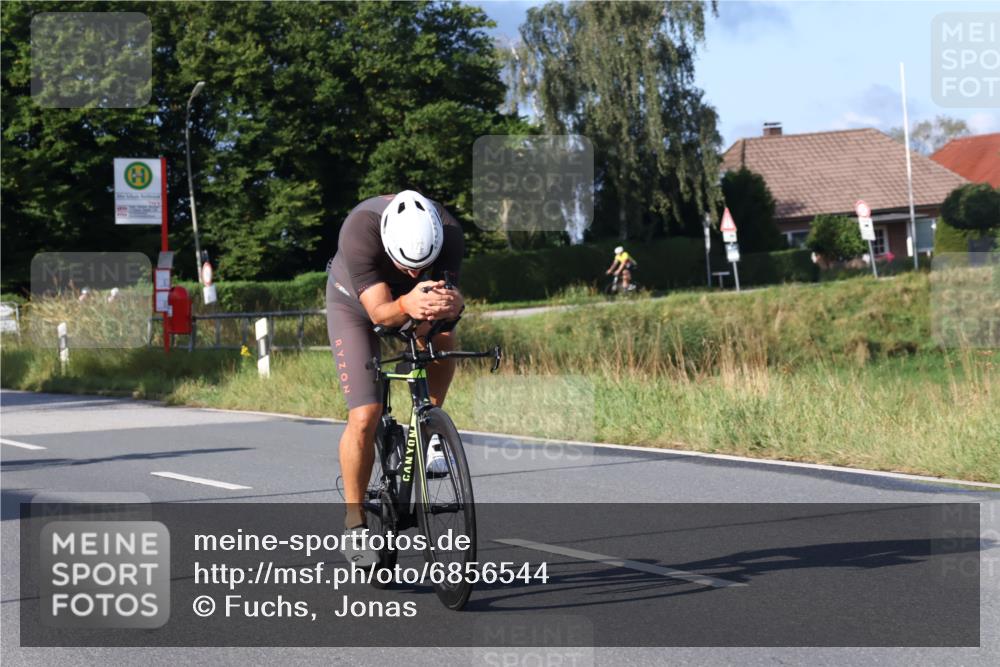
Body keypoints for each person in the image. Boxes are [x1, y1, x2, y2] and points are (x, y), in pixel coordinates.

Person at [325, 190, 465, 566]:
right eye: (406, 266)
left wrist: (454, 303)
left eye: (423, 266)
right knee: (365, 415)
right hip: (356, 304)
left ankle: (430, 426)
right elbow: (381, 314)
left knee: (444, 339)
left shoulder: (449, 231)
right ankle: (354, 522)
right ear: (389, 244)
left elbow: (450, 300)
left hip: (408, 300)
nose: (415, 274)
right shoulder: (360, 229)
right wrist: (407, 302)